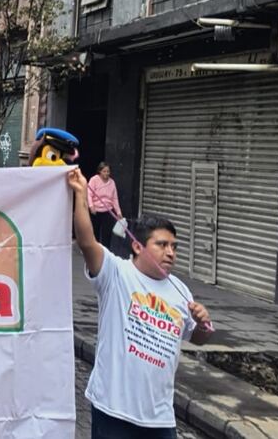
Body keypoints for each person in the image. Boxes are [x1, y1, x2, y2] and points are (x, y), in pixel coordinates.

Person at [68, 169, 212, 438]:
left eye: (174, 246)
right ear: (137, 246)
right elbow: (87, 242)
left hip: (159, 418)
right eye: (162, 245)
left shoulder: (180, 291)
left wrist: (203, 322)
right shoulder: (116, 273)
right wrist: (80, 194)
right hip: (113, 410)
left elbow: (199, 338)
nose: (170, 252)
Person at [88, 161, 123, 250]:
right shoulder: (94, 180)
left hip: (108, 211)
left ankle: (105, 253)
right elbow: (89, 194)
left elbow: (115, 199)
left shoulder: (112, 182)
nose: (106, 173)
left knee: (107, 235)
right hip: (96, 211)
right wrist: (91, 206)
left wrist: (118, 212)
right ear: (99, 171)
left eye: (108, 171)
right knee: (95, 233)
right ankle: (94, 251)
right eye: (104, 171)